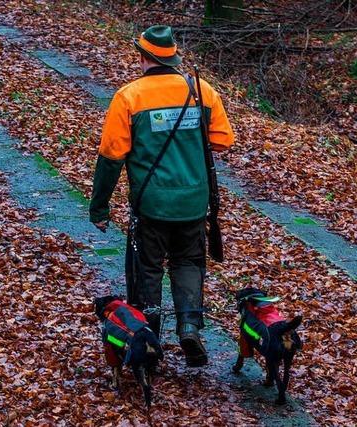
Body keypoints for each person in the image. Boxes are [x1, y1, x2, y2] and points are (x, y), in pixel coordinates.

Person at [89, 25, 234, 367]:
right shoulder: (202, 91)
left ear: (142, 57)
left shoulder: (129, 97)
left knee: (148, 270)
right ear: (172, 57)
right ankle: (188, 327)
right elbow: (222, 141)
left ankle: (149, 341)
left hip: (151, 205)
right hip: (195, 203)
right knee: (188, 263)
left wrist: (99, 207)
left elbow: (111, 157)